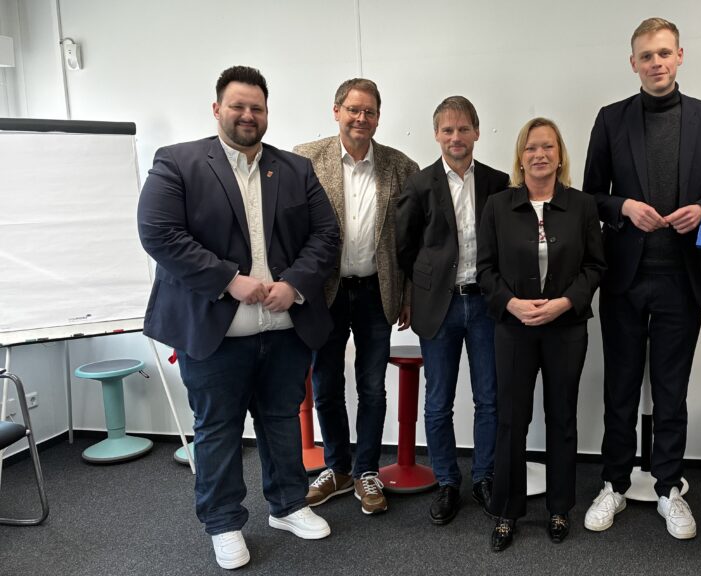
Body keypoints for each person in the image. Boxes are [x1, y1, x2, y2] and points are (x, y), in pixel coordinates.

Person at [137, 65, 339, 570]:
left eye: (257, 107)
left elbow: (326, 237)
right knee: (218, 430)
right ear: (217, 109)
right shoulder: (179, 163)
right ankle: (224, 522)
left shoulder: (295, 169)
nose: (248, 115)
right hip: (215, 333)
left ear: (267, 113)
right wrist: (231, 279)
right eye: (238, 106)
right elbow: (160, 234)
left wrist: (293, 283)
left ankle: (288, 505)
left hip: (285, 329)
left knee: (281, 423)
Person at [581, 16, 701, 539]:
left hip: (682, 278)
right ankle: (614, 483)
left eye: (664, 53)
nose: (656, 63)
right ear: (633, 63)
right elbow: (590, 197)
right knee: (620, 388)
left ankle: (669, 486)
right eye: (646, 55)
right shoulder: (610, 119)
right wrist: (621, 205)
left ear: (680, 56)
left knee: (672, 390)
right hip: (623, 279)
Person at [478, 117, 605, 551]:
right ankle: (506, 512)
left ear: (559, 154)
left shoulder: (581, 205)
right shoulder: (498, 204)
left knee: (562, 418)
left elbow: (595, 266)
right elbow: (485, 269)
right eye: (531, 147)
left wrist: (564, 302)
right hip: (513, 329)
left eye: (548, 147)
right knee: (511, 421)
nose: (539, 155)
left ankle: (559, 507)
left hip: (565, 327)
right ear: (520, 155)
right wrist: (511, 303)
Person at [294, 78, 419, 515]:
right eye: (353, 110)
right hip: (323, 293)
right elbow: (288, 231)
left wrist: (407, 294)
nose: (360, 118)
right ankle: (337, 468)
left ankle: (367, 470)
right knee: (326, 384)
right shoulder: (304, 160)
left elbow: (412, 243)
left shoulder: (402, 168)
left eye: (369, 112)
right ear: (336, 111)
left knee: (371, 386)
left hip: (375, 293)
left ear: (379, 117)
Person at [396, 96, 510, 525]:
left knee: (489, 398)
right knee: (438, 402)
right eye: (447, 130)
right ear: (436, 135)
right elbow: (404, 248)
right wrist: (413, 292)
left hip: (484, 304)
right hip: (437, 308)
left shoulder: (500, 183)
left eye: (464, 129)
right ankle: (447, 481)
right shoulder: (420, 184)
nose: (456, 137)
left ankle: (483, 476)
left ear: (478, 132)